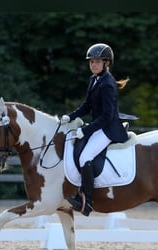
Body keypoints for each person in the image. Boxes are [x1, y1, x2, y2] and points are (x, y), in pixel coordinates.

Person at [60, 43, 129, 216]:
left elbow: (107, 116)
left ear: (106, 63)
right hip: (99, 125)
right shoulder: (94, 79)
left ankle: (87, 201)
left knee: (85, 157)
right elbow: (87, 105)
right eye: (91, 62)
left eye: (97, 62)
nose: (93, 65)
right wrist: (72, 115)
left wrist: (88, 130)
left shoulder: (107, 83)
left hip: (109, 128)